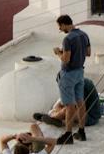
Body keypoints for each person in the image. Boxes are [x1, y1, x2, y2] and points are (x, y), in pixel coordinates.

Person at [35, 13, 91, 144]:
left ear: (64, 24)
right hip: (80, 72)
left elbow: (66, 59)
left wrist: (58, 52)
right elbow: (88, 53)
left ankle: (68, 134)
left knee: (70, 105)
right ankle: (81, 132)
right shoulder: (84, 35)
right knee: (80, 102)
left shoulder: (68, 39)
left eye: (60, 27)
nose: (60, 30)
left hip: (68, 74)